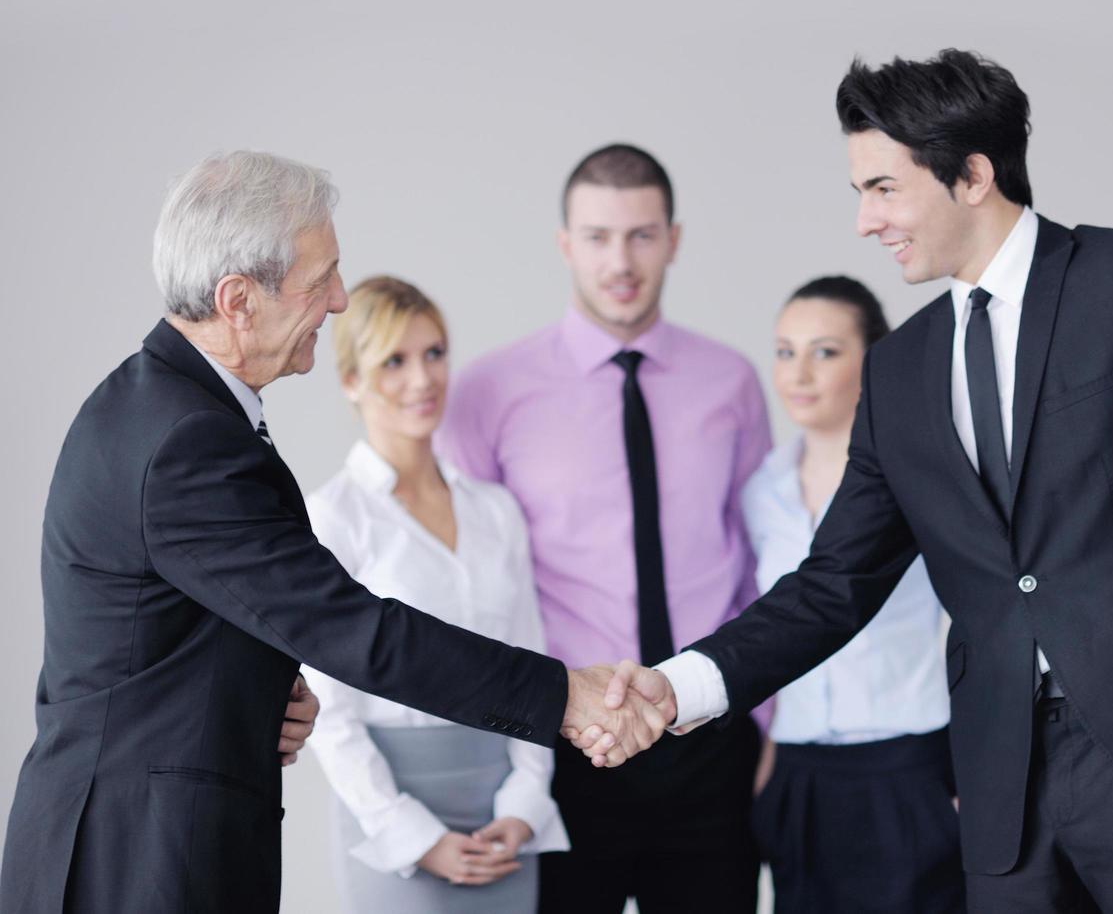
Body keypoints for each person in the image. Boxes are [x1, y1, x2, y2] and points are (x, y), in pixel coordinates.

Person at [580, 51, 1113, 913]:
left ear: (972, 176)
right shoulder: (898, 372)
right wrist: (682, 683)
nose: (864, 222)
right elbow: (833, 583)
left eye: (881, 188)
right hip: (998, 777)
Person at [0, 150, 667, 914]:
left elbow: (177, 629)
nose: (340, 301)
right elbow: (352, 628)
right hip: (134, 862)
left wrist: (260, 693)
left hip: (143, 844)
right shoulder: (186, 438)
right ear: (238, 299)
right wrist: (561, 696)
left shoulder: (160, 407)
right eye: (320, 281)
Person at [436, 143, 771, 914]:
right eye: (597, 237)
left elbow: (756, 556)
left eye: (641, 235)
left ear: (673, 240)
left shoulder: (731, 381)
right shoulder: (489, 391)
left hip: (707, 735)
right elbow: (472, 578)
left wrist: (765, 722)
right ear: (565, 245)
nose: (620, 260)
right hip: (563, 740)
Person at [300, 276, 569, 912]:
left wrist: (525, 804)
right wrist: (412, 835)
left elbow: (531, 664)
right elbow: (328, 709)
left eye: (434, 353)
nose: (423, 380)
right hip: (391, 815)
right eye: (394, 360)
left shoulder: (495, 511)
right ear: (350, 380)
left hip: (503, 813)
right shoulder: (332, 518)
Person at [744, 275, 963, 913]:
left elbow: (989, 621)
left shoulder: (924, 476)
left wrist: (972, 773)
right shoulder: (762, 491)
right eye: (785, 351)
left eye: (826, 351)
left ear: (875, 360)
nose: (798, 373)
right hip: (801, 773)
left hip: (910, 768)